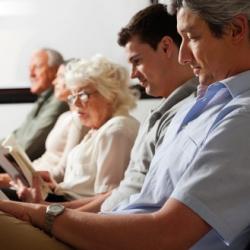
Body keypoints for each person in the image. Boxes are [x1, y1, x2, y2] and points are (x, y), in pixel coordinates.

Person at [2, 1, 250, 249]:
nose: (183, 56)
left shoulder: (240, 117)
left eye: (192, 37)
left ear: (237, 30)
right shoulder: (199, 105)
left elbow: (167, 233)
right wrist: (44, 210)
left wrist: (43, 214)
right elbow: (135, 198)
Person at [51, 3, 198, 212]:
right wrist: (53, 211)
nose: (133, 75)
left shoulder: (191, 114)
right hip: (105, 220)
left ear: (166, 47)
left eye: (137, 61)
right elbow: (123, 191)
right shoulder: (159, 113)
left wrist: (55, 217)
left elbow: (153, 205)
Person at [12, 55, 139, 203]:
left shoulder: (116, 131)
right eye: (73, 96)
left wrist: (41, 207)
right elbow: (82, 187)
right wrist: (53, 186)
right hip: (63, 202)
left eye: (84, 95)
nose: (76, 103)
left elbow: (106, 203)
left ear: (110, 94)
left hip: (70, 214)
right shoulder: (97, 128)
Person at [1, 48, 69, 161]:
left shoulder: (59, 100)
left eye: (37, 67)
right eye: (29, 69)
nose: (31, 74)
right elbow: (15, 137)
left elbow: (28, 148)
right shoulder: (43, 98)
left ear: (55, 70)